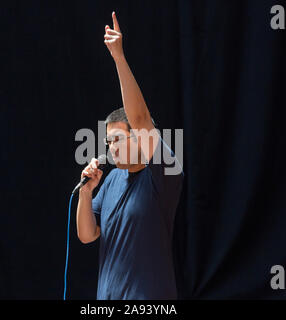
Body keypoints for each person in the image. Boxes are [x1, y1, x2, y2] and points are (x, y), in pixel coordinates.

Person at [76, 11, 184, 300]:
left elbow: (140, 117)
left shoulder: (164, 172)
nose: (111, 148)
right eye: (108, 142)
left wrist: (119, 58)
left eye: (118, 140)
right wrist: (86, 193)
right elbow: (87, 235)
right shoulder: (110, 182)